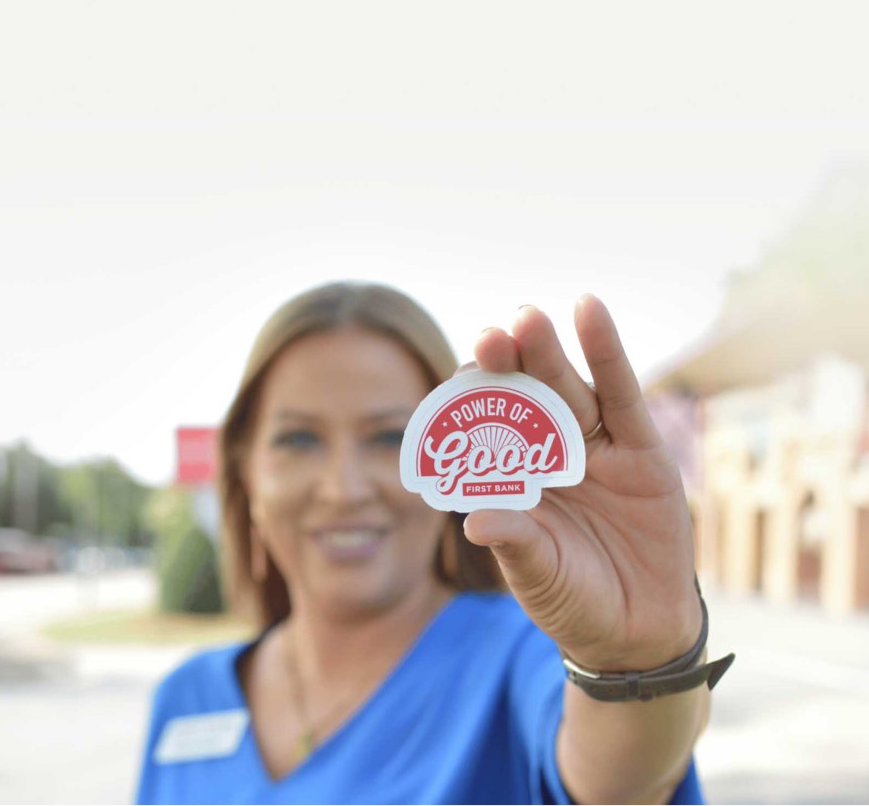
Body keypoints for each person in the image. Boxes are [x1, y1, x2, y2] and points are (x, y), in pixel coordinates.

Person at [136, 282, 731, 805]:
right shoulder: (186, 696)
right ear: (243, 470)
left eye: (391, 438)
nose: (343, 489)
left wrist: (636, 662)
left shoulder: (526, 653)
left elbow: (624, 783)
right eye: (298, 439)